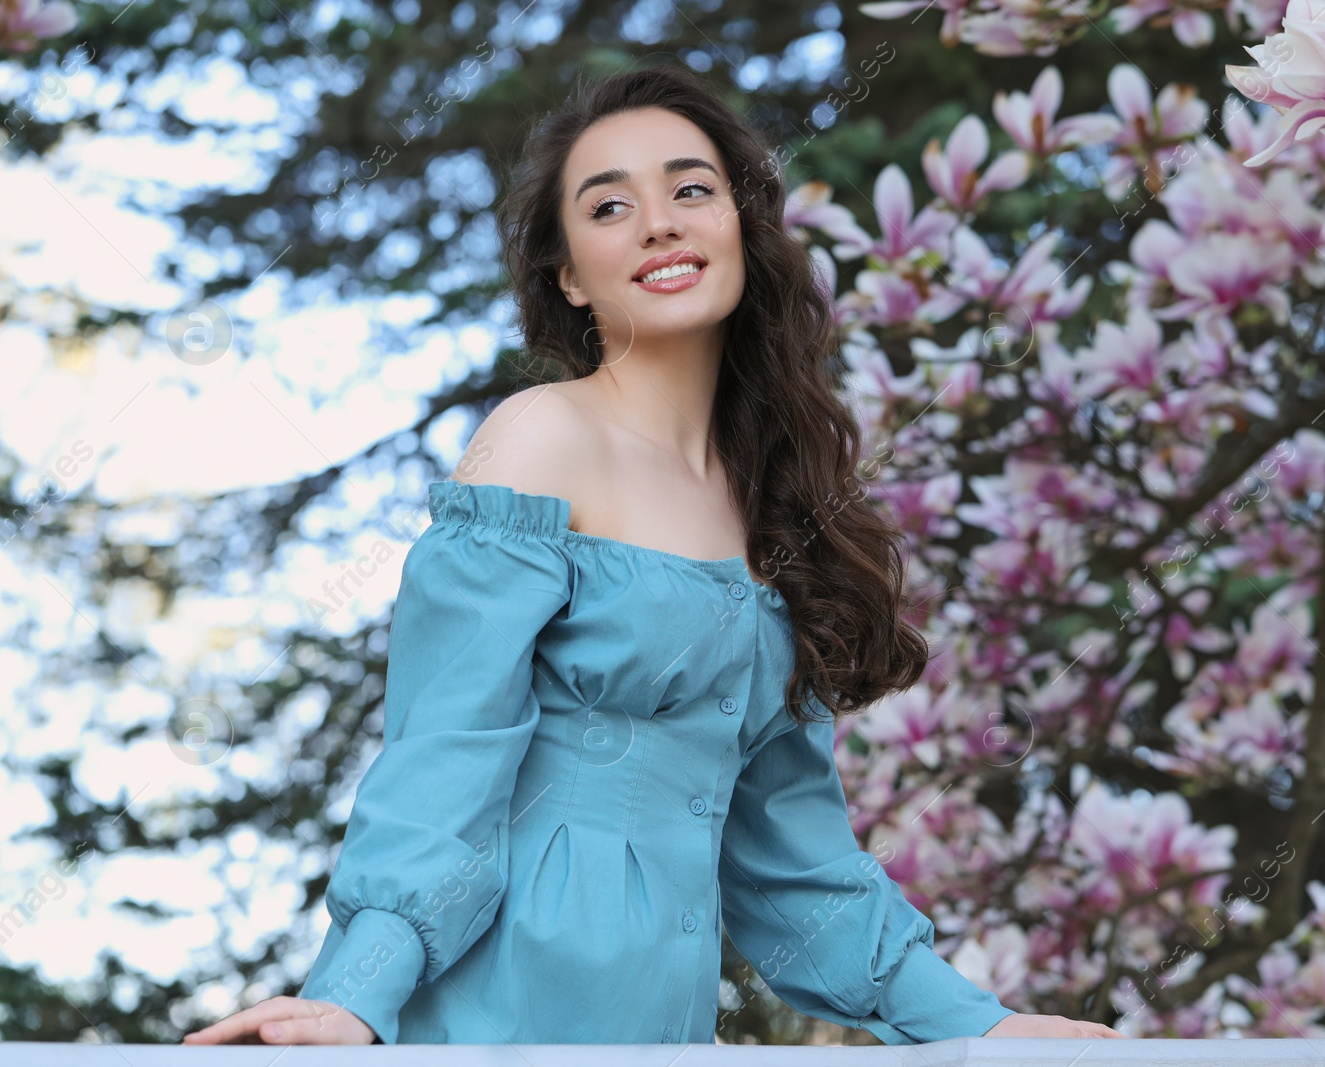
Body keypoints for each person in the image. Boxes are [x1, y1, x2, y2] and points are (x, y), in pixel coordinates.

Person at [182, 64, 1125, 1047]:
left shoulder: (774, 505)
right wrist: (353, 994)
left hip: (662, 1031)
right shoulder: (540, 439)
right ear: (570, 274)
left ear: (739, 228)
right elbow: (446, 753)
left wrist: (983, 1025)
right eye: (608, 206)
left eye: (690, 189)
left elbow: (792, 863)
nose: (659, 223)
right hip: (489, 1016)